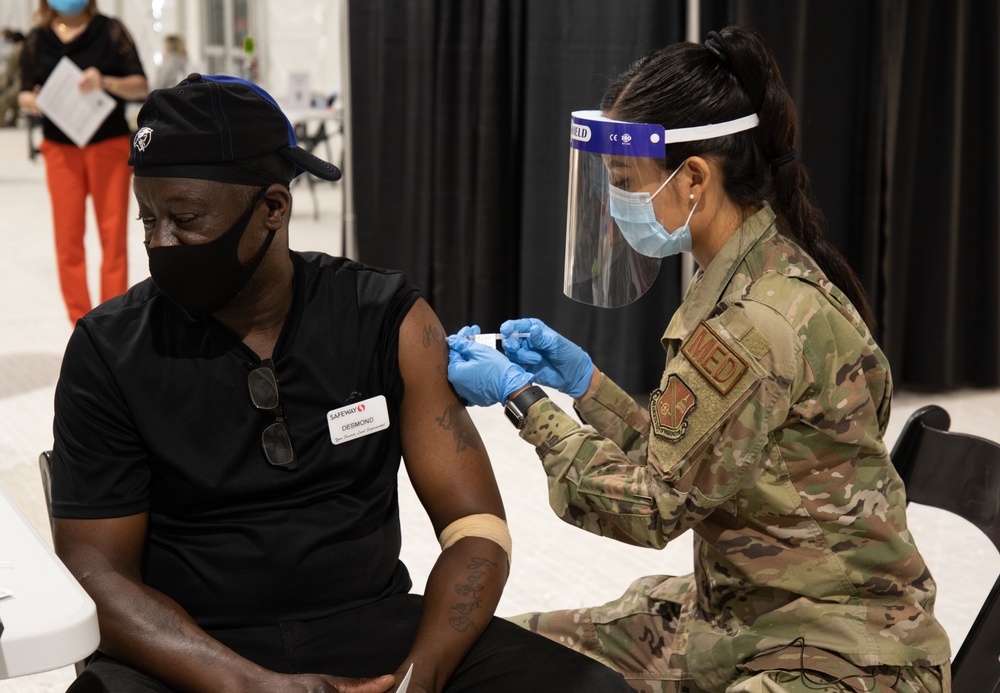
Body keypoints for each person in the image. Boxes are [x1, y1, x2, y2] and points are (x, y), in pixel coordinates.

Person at [47, 73, 633, 693]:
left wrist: (420, 677)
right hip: (191, 652)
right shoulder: (110, 349)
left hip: (374, 628)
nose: (161, 245)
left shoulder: (387, 318)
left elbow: (475, 525)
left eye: (186, 220)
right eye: (148, 220)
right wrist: (248, 685)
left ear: (273, 207)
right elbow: (92, 572)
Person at [447, 26, 951, 693]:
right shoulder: (768, 268)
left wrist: (525, 400)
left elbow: (650, 507)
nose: (619, 204)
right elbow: (686, 458)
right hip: (752, 614)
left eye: (626, 183)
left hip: (841, 651)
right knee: (498, 655)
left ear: (692, 179)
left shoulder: (750, 324)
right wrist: (585, 381)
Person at [17, 0, 147, 324]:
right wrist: (35, 101)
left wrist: (105, 81)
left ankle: (112, 322)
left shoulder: (111, 30)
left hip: (108, 145)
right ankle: (82, 325)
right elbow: (22, 93)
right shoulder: (37, 38)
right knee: (68, 241)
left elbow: (140, 85)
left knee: (113, 237)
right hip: (61, 149)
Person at [0, 29, 25, 126]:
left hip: (18, 80)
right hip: (21, 80)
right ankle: (13, 120)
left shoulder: (17, 49)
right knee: (15, 102)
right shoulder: (28, 47)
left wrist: (3, 84)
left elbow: (9, 69)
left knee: (4, 99)